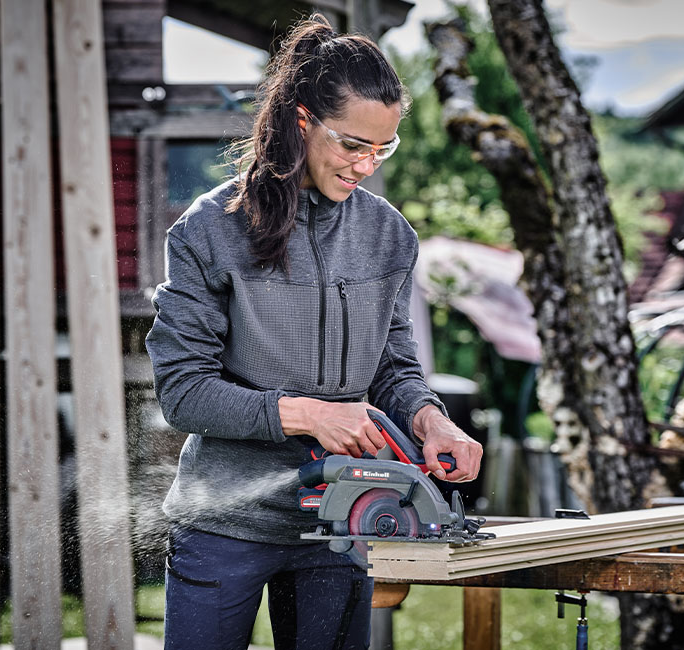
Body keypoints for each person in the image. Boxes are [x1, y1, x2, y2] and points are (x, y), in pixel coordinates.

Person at [146, 13, 483, 650]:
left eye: (382, 148)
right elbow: (183, 393)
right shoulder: (209, 229)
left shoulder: (389, 236)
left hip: (339, 523)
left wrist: (430, 418)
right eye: (352, 145)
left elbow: (393, 370)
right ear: (303, 121)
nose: (366, 165)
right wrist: (308, 416)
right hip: (224, 524)